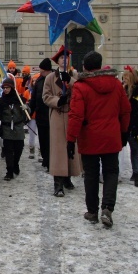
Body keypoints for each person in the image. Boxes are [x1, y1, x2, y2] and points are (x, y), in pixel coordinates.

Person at [67, 51, 130, 228]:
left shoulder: (81, 86)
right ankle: (108, 208)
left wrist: (71, 139)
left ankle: (92, 211)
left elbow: (76, 115)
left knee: (91, 175)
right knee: (111, 172)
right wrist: (124, 131)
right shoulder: (116, 84)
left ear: (85, 67)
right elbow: (125, 110)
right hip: (111, 136)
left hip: (90, 137)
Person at [43, 45, 82, 196]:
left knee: (70, 147)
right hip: (58, 116)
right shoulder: (50, 78)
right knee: (58, 149)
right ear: (57, 60)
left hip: (71, 115)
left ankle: (68, 177)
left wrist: (71, 81)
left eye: (66, 57)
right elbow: (45, 96)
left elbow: (80, 90)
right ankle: (58, 183)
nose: (64, 60)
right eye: (61, 57)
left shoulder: (74, 76)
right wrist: (59, 100)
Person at [0, 77, 30, 180]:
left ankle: (15, 164)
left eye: (7, 87)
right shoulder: (1, 101)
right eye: (4, 87)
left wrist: (26, 108)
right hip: (6, 129)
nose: (5, 89)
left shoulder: (20, 100)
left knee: (19, 148)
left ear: (12, 88)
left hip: (18, 127)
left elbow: (27, 114)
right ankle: (9, 171)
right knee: (8, 150)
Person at [29, 58, 53, 171]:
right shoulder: (39, 80)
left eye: (42, 71)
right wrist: (29, 111)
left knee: (50, 141)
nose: (41, 73)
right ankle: (45, 158)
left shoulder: (54, 79)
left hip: (52, 116)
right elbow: (34, 98)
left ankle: (50, 162)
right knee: (43, 140)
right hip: (40, 116)